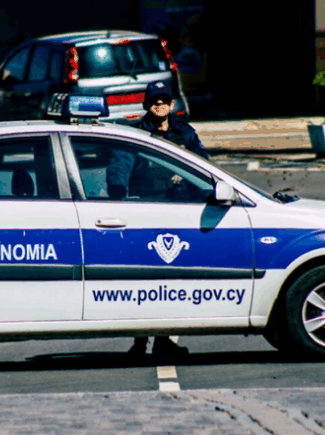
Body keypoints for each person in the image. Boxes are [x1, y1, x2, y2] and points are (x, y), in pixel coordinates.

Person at [109, 81, 208, 358]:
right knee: (146, 282)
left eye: (164, 100)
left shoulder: (186, 134)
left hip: (182, 217)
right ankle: (140, 342)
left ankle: (164, 340)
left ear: (172, 104)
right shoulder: (135, 134)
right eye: (155, 100)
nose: (160, 104)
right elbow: (119, 169)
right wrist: (117, 198)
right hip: (145, 216)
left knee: (173, 284)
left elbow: (205, 168)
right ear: (146, 104)